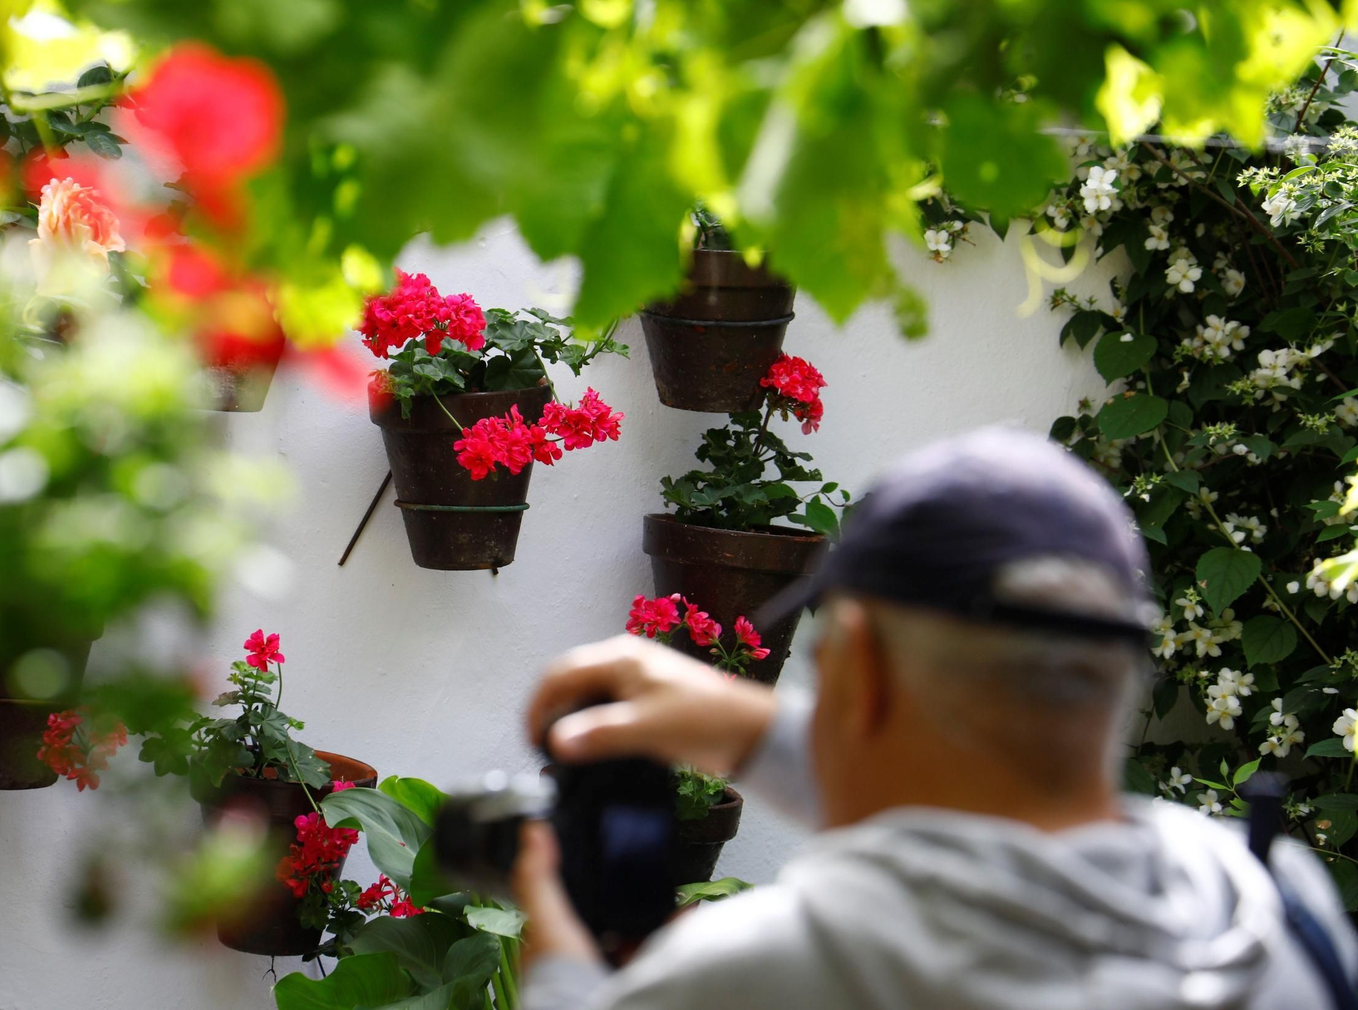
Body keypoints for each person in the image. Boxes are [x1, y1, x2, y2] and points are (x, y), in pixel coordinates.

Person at [511, 427, 1358, 1010]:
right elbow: (981, 823)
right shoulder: (1275, 900)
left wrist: (562, 967)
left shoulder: (759, 976)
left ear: (866, 667)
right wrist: (746, 729)